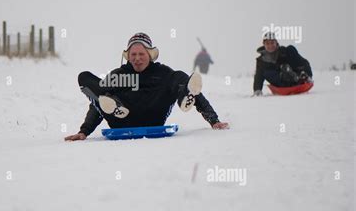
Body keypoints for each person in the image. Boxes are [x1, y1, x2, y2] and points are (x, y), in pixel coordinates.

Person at [65, 33, 229, 141]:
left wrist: (214, 120)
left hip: (153, 118)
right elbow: (97, 104)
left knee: (179, 77)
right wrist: (84, 131)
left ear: (150, 55)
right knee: (85, 78)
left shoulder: (162, 72)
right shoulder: (118, 75)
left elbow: (197, 93)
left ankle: (184, 97)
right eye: (133, 55)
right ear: (128, 56)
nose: (137, 58)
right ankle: (116, 106)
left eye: (141, 54)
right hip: (122, 121)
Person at [253, 32, 313, 96]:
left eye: (272, 43)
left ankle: (301, 76)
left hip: (293, 76)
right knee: (266, 72)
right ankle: (289, 77)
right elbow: (258, 76)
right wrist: (257, 89)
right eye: (267, 43)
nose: (270, 46)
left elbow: (302, 62)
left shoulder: (283, 51)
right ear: (264, 45)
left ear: (276, 43)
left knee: (290, 49)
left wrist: (307, 73)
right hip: (279, 81)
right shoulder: (261, 60)